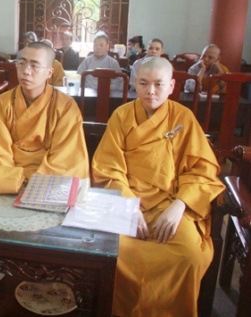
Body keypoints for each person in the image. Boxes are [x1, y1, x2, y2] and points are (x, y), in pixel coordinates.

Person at [92, 57, 224, 317]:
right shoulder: (122, 116)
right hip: (127, 203)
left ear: (172, 86)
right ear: (134, 84)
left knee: (188, 256)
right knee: (113, 255)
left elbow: (202, 169)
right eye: (143, 83)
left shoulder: (183, 117)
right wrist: (128, 206)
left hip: (171, 205)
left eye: (158, 84)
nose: (150, 91)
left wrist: (180, 205)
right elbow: (108, 169)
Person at [0, 41, 88, 180]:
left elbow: (66, 161)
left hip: (46, 183)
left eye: (34, 65)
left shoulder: (66, 107)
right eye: (21, 63)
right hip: (7, 180)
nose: (26, 71)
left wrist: (31, 180)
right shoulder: (2, 103)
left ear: (49, 72)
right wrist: (13, 181)